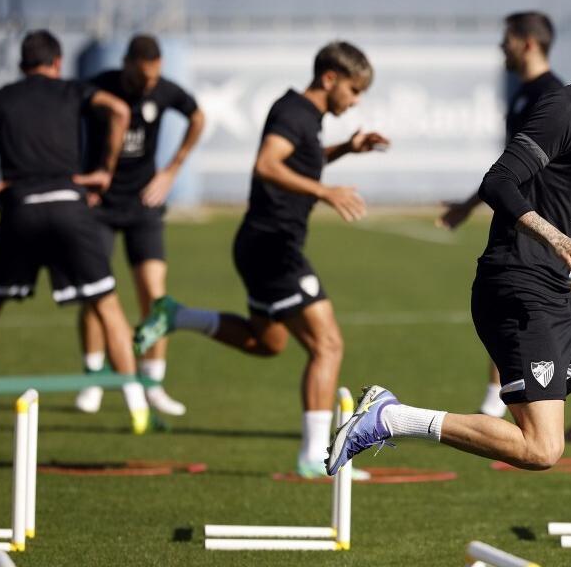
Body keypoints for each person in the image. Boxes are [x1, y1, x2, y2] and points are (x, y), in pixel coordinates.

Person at [328, 6, 571, 563]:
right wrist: (553, 239)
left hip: (554, 293)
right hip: (518, 289)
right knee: (542, 449)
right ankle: (389, 417)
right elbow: (499, 181)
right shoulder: (563, 109)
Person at [132, 41, 388, 478]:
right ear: (330, 79)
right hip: (274, 248)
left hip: (261, 245)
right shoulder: (295, 112)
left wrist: (346, 148)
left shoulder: (308, 118)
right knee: (328, 345)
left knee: (267, 342)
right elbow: (267, 165)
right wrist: (326, 192)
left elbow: (302, 161)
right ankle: (314, 456)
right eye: (354, 89)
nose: (356, 99)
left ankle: (177, 315)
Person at [437, 11, 571, 442]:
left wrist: (558, 234)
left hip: (540, 241)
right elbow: (509, 173)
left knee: (546, 306)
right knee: (536, 310)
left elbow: (549, 183)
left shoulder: (550, 98)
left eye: (507, 39)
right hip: (528, 237)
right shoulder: (526, 95)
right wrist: (466, 205)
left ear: (528, 43)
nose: (502, 47)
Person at [0, 30, 150, 433]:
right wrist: (105, 169)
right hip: (70, 207)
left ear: (22, 65)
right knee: (108, 306)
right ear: (57, 62)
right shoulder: (74, 91)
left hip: (19, 209)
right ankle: (138, 407)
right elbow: (119, 111)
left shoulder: (0, 98)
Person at [74, 34, 205, 418]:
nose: (149, 85)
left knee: (154, 295)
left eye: (154, 78)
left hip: (143, 203)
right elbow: (66, 122)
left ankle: (153, 383)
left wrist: (172, 169)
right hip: (99, 204)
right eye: (143, 77)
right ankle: (93, 377)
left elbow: (197, 117)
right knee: (96, 294)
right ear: (128, 63)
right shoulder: (98, 87)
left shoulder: (164, 91)